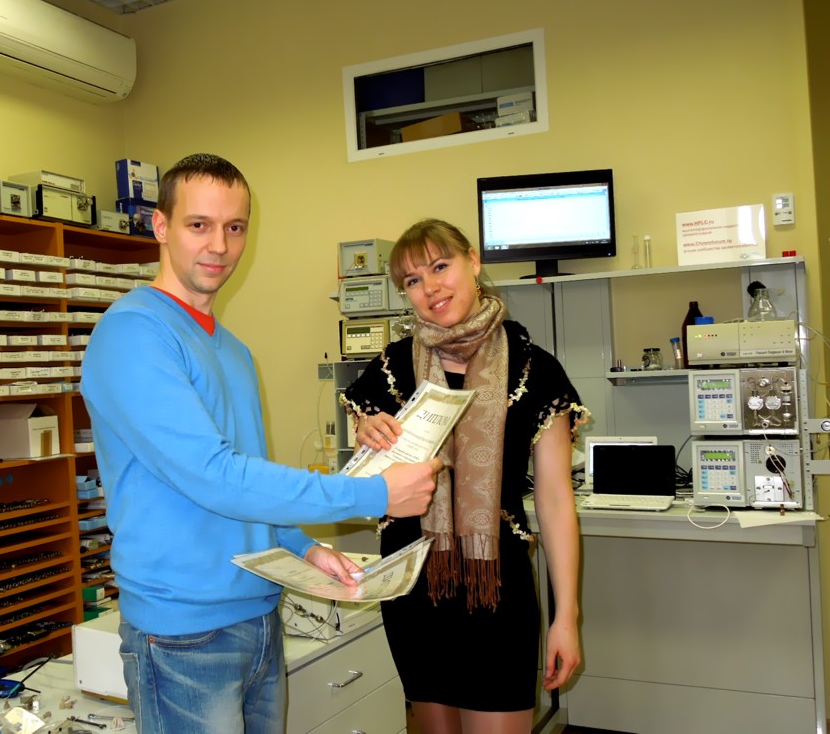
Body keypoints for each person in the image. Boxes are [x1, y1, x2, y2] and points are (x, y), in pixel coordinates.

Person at [80, 153, 442, 734]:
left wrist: (301, 546)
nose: (219, 245)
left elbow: (247, 477)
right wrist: (372, 494)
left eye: (235, 227)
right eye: (199, 225)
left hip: (257, 613)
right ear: (160, 226)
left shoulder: (234, 351)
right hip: (182, 633)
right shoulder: (133, 333)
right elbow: (213, 475)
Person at [341, 219, 586, 734]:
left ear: (473, 261)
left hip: (496, 589)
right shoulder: (390, 369)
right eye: (412, 280)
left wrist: (567, 616)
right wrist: (367, 435)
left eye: (440, 266)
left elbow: (555, 501)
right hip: (413, 588)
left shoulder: (535, 369)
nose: (429, 288)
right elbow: (368, 481)